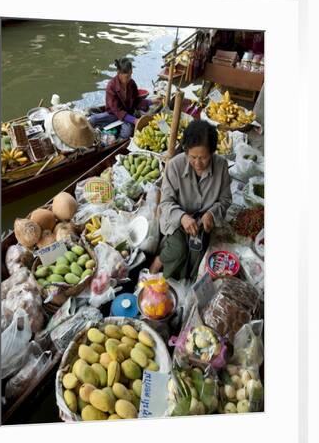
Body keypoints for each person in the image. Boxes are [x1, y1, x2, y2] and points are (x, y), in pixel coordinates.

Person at [151, 120, 232, 281]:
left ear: (212, 152)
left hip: (203, 220)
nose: (198, 163)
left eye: (204, 158)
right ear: (186, 151)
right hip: (177, 218)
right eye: (193, 157)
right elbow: (166, 202)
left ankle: (184, 282)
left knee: (197, 253)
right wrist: (182, 217)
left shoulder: (221, 165)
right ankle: (158, 262)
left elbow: (225, 199)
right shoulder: (174, 165)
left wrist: (211, 213)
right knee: (178, 250)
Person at [89, 57, 162, 139]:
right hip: (113, 114)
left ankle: (118, 139)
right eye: (127, 76)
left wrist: (152, 101)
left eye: (131, 75)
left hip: (128, 114)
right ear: (119, 73)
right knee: (93, 119)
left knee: (126, 133)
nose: (129, 78)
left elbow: (136, 101)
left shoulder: (132, 84)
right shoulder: (111, 86)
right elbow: (117, 111)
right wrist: (135, 120)